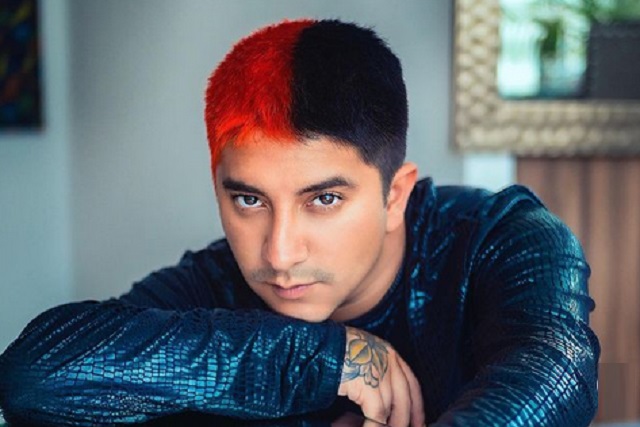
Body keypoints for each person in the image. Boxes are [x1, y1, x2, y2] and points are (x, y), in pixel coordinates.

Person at [0, 19, 599, 427]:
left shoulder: (502, 239)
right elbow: (34, 378)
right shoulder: (215, 282)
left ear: (395, 194)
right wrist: (326, 357)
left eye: (324, 199)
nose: (279, 254)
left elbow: (556, 372)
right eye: (249, 201)